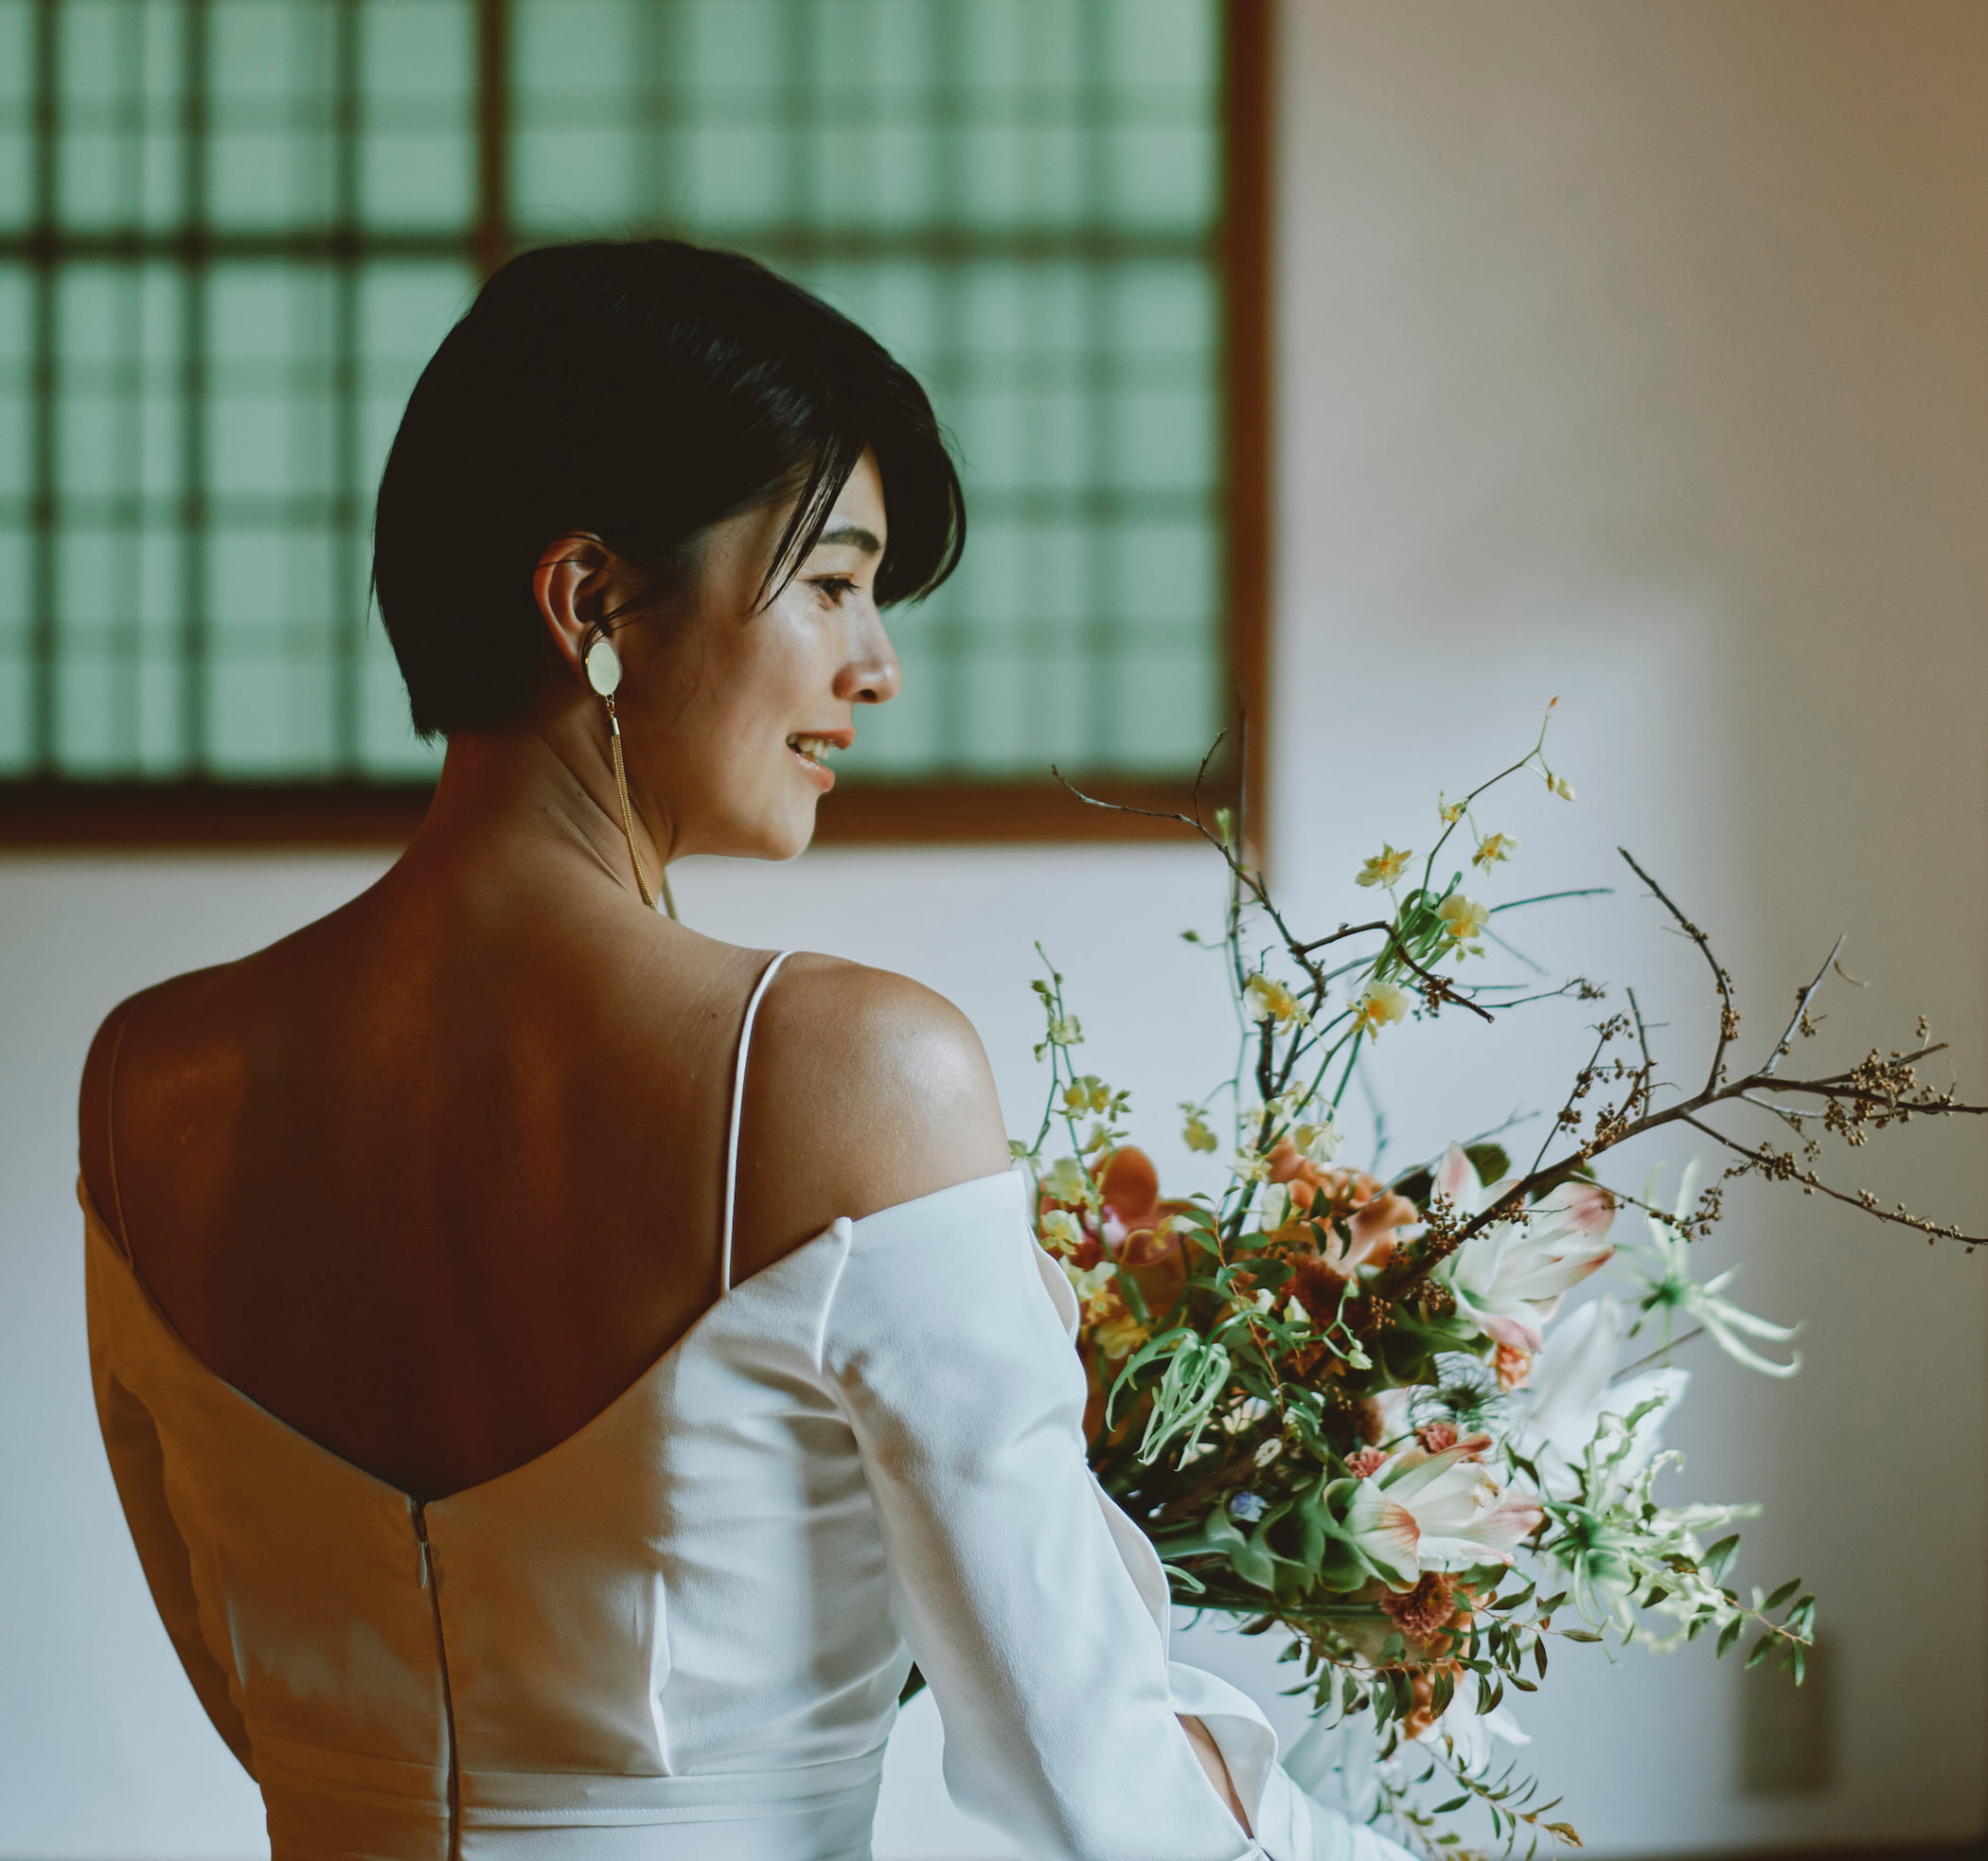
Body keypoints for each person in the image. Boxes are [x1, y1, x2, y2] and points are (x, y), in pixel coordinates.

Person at [80, 239, 1400, 1861]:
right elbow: (1096, 1783)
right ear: (593, 599)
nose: (878, 667)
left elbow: (241, 1689)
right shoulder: (850, 1075)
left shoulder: (151, 1081)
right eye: (836, 581)